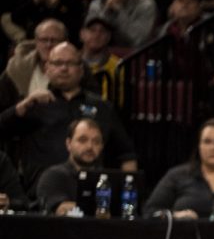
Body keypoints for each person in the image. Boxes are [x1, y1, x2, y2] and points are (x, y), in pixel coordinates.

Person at [0, 42, 137, 195]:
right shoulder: (33, 105)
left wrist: (128, 195)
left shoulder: (102, 107)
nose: (64, 68)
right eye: (58, 63)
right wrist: (21, 106)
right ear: (47, 69)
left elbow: (127, 155)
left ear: (81, 70)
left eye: (70, 63)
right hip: (40, 197)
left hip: (91, 195)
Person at [35, 117, 103, 215]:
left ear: (102, 146)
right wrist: (102, 211)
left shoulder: (106, 179)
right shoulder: (53, 175)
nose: (90, 146)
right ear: (69, 143)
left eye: (96, 141)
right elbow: (62, 209)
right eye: (82, 140)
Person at [0, 18, 66, 112]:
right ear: (36, 42)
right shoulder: (17, 67)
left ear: (65, 42)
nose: (48, 45)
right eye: (44, 40)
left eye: (54, 40)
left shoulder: (76, 67)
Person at [86, 0, 158, 48]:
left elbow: (137, 40)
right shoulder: (96, 5)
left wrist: (119, 12)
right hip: (101, 53)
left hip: (132, 55)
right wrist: (107, 11)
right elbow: (90, 38)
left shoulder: (145, 5)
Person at [80, 13, 120, 103]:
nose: (97, 35)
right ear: (82, 34)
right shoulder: (70, 61)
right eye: (92, 30)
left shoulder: (118, 65)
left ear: (108, 37)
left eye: (102, 31)